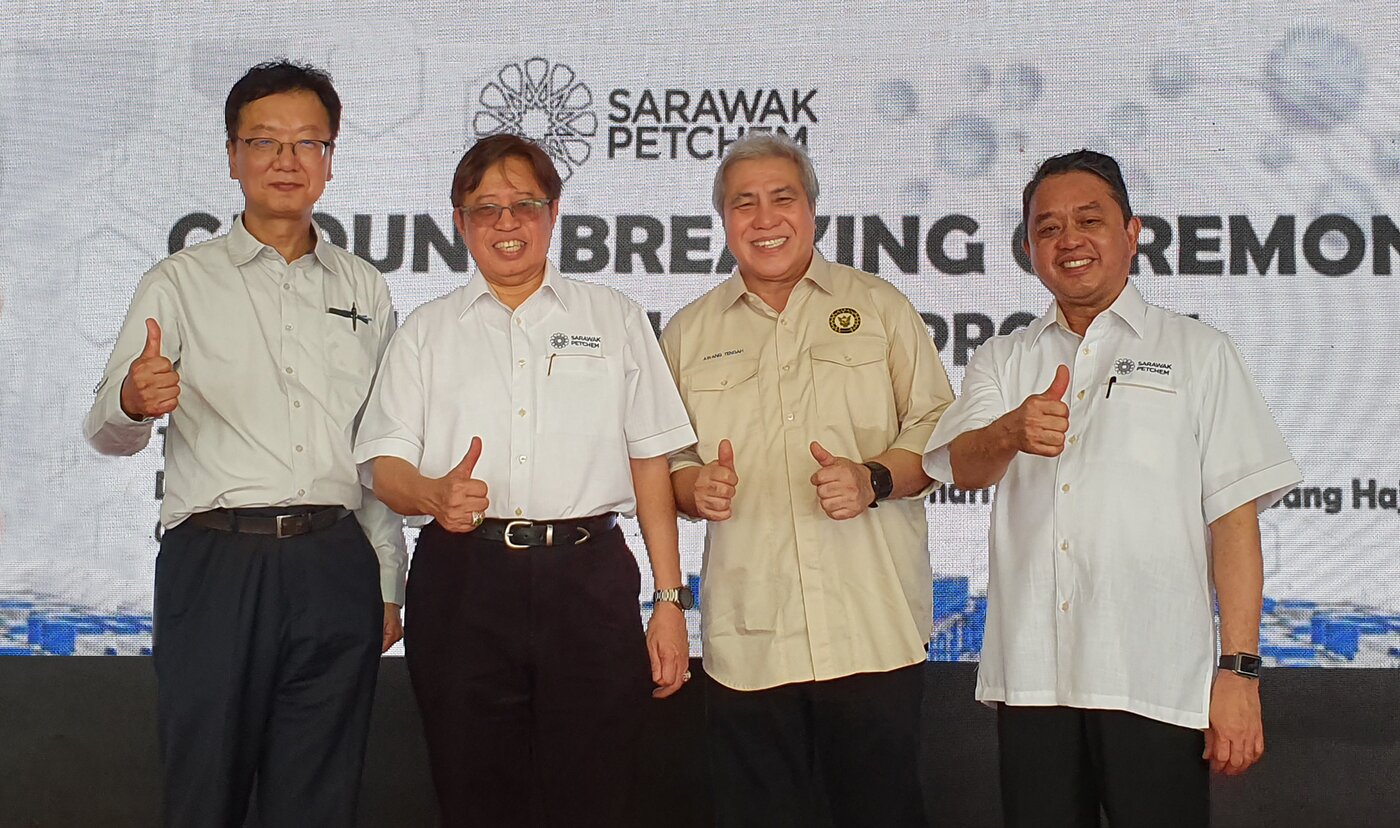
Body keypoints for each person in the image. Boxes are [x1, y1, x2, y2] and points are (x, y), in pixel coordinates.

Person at [923, 149, 1303, 827]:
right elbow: (960, 465)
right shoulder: (1004, 357)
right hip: (1034, 677)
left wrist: (1240, 671)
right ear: (1028, 249)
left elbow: (1234, 523)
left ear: (1132, 234)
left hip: (1155, 678)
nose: (1068, 239)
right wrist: (1010, 430)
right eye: (1047, 228)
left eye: (1089, 220)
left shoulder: (1198, 352)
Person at [83, 60, 407, 826]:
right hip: (217, 565)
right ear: (233, 155)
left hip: (335, 564)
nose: (286, 160)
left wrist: (387, 576)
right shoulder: (178, 282)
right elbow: (104, 430)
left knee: (320, 800)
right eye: (265, 141)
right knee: (205, 793)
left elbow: (377, 447)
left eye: (307, 142)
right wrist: (133, 400)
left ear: (329, 159)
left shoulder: (364, 287)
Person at [353, 133, 696, 827]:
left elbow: (650, 462)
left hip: (588, 578)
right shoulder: (427, 331)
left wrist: (668, 601)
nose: (506, 223)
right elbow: (384, 467)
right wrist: (433, 495)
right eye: (486, 208)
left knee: (595, 794)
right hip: (463, 579)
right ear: (459, 222)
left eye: (524, 205)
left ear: (554, 212)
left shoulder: (613, 317)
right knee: (474, 794)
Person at [660, 132, 954, 827]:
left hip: (872, 629)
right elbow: (662, 464)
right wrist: (692, 488)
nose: (765, 219)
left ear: (812, 209)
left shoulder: (879, 307)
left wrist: (874, 478)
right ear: (723, 219)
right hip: (751, 639)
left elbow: (939, 432)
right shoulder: (688, 333)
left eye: (782, 198)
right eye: (744, 203)